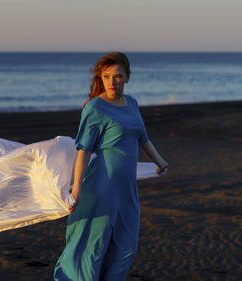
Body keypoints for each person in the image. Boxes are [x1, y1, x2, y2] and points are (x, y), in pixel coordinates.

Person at [54, 52, 168, 281]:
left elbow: (142, 137)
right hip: (100, 187)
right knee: (92, 246)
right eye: (106, 77)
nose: (111, 82)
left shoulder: (132, 104)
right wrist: (76, 190)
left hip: (127, 190)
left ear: (127, 77)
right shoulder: (95, 108)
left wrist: (160, 162)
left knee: (126, 246)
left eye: (117, 76)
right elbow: (83, 151)